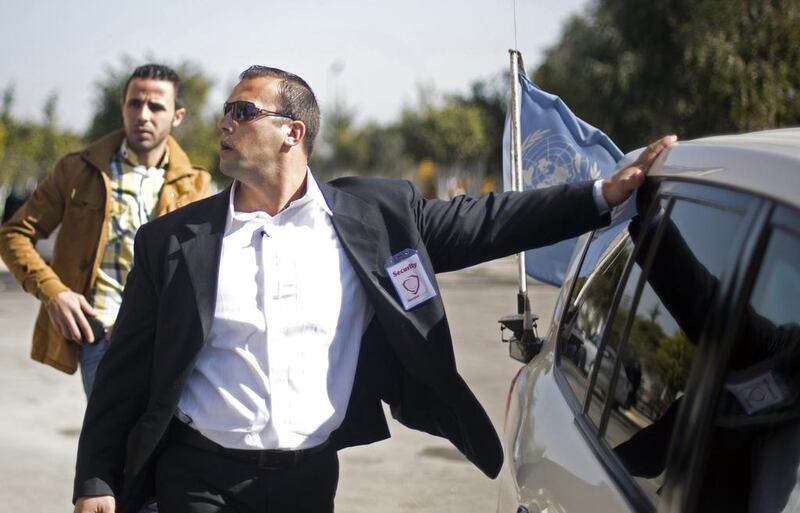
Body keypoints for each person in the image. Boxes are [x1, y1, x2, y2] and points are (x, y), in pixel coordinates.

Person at [72, 65, 676, 513]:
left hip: (307, 479)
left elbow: (488, 221)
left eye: (244, 111)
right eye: (225, 111)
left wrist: (600, 195)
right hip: (196, 476)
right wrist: (96, 480)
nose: (225, 122)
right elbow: (124, 373)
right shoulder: (174, 240)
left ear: (293, 133)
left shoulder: (373, 217)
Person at [0, 64, 211, 396]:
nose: (143, 114)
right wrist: (54, 292)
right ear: (122, 107)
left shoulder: (196, 183)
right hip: (100, 335)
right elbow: (13, 234)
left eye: (156, 107)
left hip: (163, 339)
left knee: (162, 445)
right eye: (135, 103)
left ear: (178, 116)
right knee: (110, 445)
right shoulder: (78, 170)